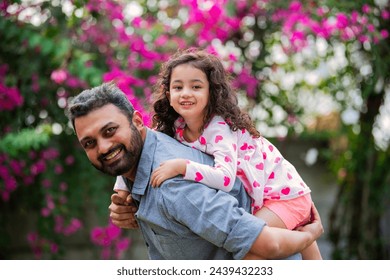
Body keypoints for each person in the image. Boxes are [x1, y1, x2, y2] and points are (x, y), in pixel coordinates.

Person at [67, 82, 323, 260]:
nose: (103, 147)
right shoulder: (152, 153)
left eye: (110, 131)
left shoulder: (173, 185)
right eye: (89, 143)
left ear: (137, 121)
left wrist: (310, 234)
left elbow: (267, 244)